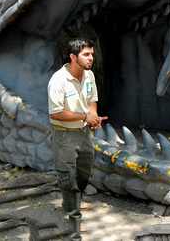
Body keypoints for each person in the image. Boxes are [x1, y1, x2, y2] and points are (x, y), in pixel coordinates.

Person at [48, 39, 107, 240]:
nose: (91, 58)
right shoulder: (58, 80)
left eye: (91, 54)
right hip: (64, 134)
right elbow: (56, 113)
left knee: (84, 174)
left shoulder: (89, 75)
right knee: (69, 178)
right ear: (73, 57)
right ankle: (73, 231)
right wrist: (84, 116)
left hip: (84, 133)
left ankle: (71, 201)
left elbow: (92, 101)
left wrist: (93, 119)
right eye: (86, 54)